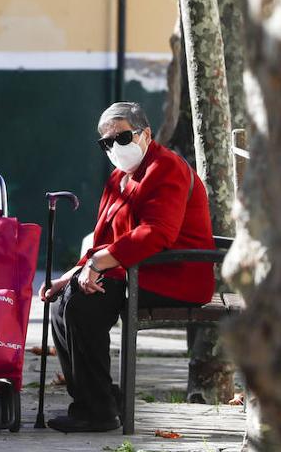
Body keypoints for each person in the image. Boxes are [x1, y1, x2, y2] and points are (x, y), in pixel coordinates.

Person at [39, 101, 214, 432]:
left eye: (121, 138)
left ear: (145, 134)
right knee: (61, 305)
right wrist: (72, 273)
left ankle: (99, 410)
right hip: (135, 271)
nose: (114, 148)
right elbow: (102, 241)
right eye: (106, 142)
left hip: (174, 275)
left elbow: (157, 233)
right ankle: (97, 401)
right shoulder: (118, 179)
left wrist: (97, 264)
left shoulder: (166, 168)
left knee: (82, 304)